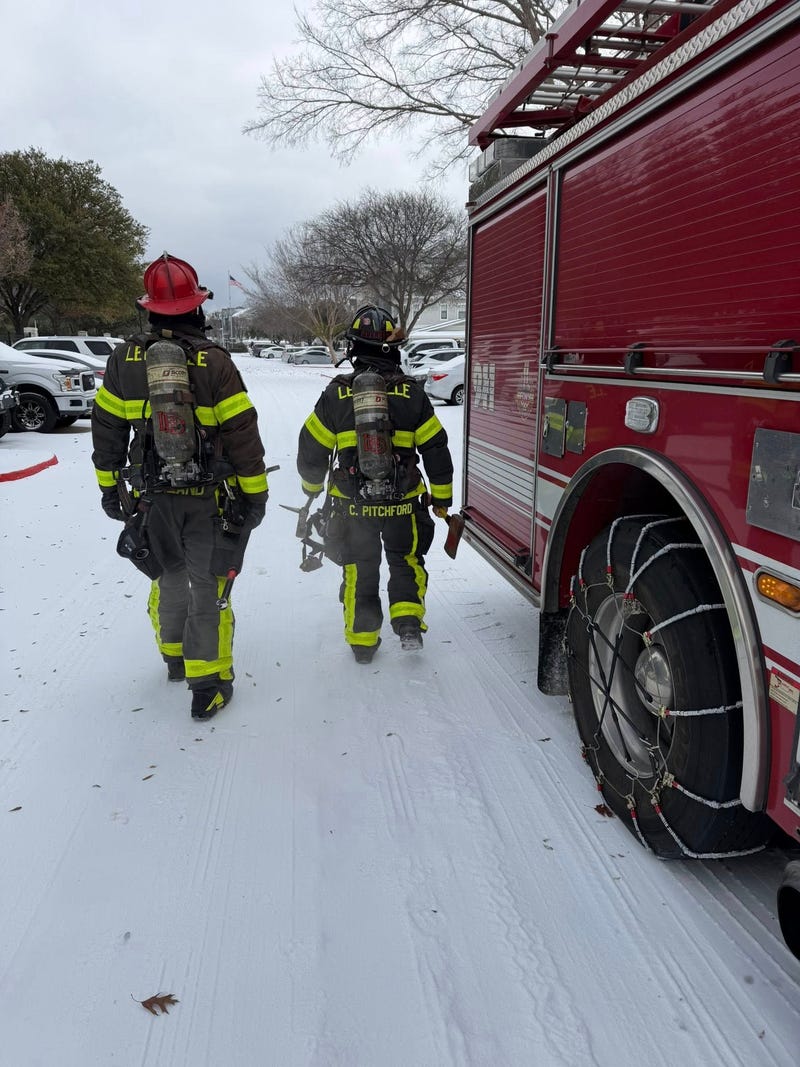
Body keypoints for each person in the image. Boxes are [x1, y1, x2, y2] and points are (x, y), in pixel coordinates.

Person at [91, 252, 269, 720]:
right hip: (208, 500)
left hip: (151, 500)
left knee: (168, 576)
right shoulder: (215, 362)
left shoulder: (123, 360)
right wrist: (254, 494)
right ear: (198, 307)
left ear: (147, 307)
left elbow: (107, 431)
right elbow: (242, 436)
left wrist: (111, 488)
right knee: (208, 587)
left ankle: (173, 657)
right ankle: (206, 685)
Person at [296, 305, 454, 663]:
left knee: (360, 569)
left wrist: (311, 491)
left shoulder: (336, 395)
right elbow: (436, 449)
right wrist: (442, 501)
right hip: (405, 505)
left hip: (353, 509)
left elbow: (312, 448)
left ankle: (363, 642)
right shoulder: (412, 394)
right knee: (406, 562)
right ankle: (409, 623)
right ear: (391, 348)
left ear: (353, 349)